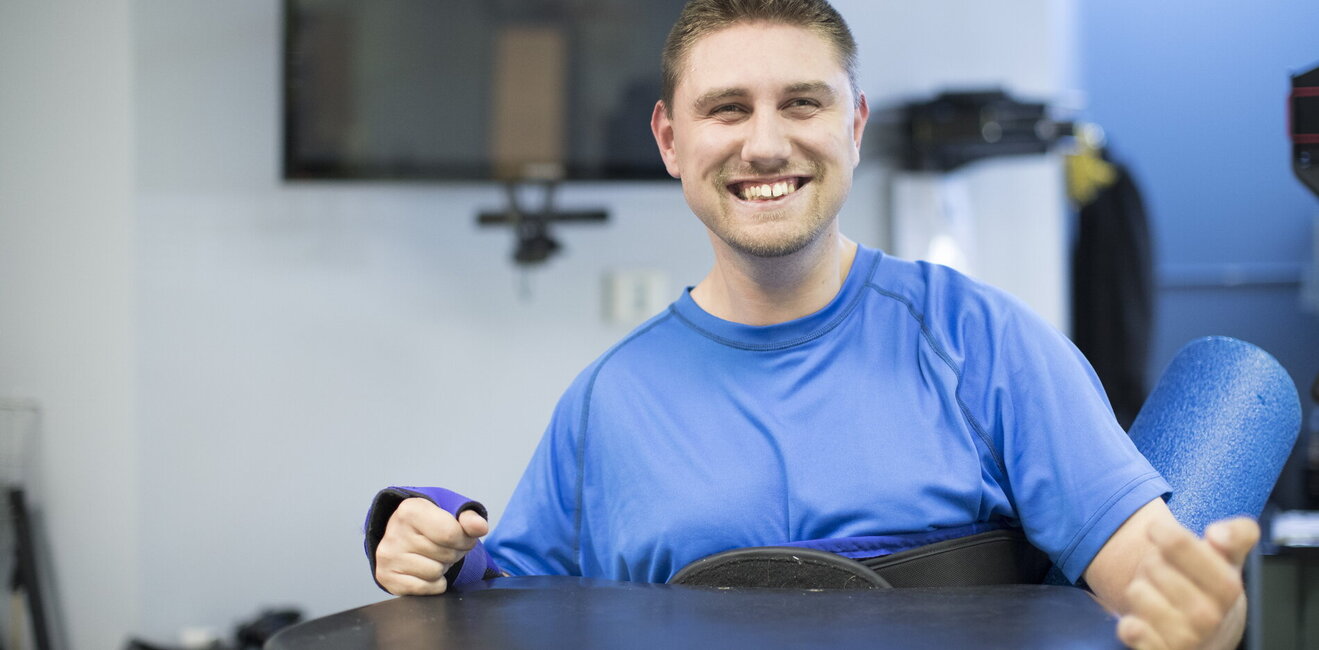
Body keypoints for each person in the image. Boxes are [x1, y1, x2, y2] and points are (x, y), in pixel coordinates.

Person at [368, 1, 1258, 647]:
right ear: (671, 140)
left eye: (802, 103)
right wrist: (428, 541)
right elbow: (498, 601)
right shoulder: (609, 403)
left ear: (853, 125)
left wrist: (1204, 616)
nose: (764, 144)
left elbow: (1161, 587)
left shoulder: (984, 346)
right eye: (726, 109)